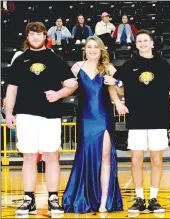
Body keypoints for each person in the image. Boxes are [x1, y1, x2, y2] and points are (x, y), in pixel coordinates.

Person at [105, 29, 170, 213]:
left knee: (157, 160)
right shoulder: (129, 64)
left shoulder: (163, 64)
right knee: (136, 160)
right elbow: (113, 84)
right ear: (136, 44)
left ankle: (154, 199)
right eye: (139, 41)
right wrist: (117, 102)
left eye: (145, 40)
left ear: (152, 43)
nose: (142, 43)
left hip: (158, 119)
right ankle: (140, 199)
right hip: (136, 120)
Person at [5, 21, 78, 215]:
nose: (35, 37)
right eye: (32, 34)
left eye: (39, 34)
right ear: (27, 37)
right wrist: (9, 113)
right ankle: (28, 198)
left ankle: (53, 197)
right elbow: (11, 89)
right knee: (28, 157)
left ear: (46, 36)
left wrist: (59, 94)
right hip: (25, 115)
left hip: (50, 115)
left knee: (52, 156)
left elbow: (72, 83)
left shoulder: (55, 59)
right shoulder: (19, 60)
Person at [62, 35, 126, 213]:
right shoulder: (77, 67)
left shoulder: (107, 67)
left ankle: (104, 200)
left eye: (95, 47)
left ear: (101, 49)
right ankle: (86, 196)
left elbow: (118, 89)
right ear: (85, 49)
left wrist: (119, 100)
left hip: (104, 117)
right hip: (85, 117)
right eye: (89, 47)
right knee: (86, 156)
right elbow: (68, 87)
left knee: (105, 156)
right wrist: (61, 87)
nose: (92, 50)